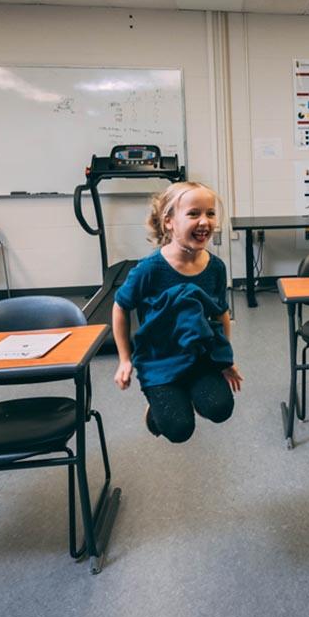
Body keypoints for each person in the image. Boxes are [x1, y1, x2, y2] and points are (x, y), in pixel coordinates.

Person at [113, 182, 243, 443]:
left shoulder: (215, 267)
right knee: (179, 430)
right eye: (194, 214)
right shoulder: (149, 269)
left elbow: (221, 314)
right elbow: (120, 308)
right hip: (159, 358)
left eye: (210, 213)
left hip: (199, 355)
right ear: (169, 221)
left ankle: (186, 393)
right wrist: (125, 360)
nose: (205, 221)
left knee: (221, 409)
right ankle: (158, 407)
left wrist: (224, 358)